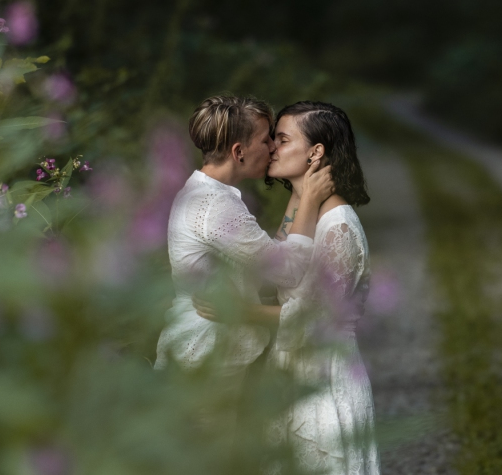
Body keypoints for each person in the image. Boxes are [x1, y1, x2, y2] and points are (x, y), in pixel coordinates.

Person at [195, 101, 380, 475]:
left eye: (282, 139)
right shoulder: (303, 212)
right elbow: (279, 272)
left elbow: (315, 318)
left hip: (325, 378)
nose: (272, 148)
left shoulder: (338, 225)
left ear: (315, 152)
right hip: (289, 374)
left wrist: (235, 312)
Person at [154, 96, 334, 420]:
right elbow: (289, 271)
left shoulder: (207, 194)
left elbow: (271, 259)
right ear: (239, 152)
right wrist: (310, 198)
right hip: (205, 362)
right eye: (266, 139)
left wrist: (297, 194)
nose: (272, 148)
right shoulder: (215, 207)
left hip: (205, 356)